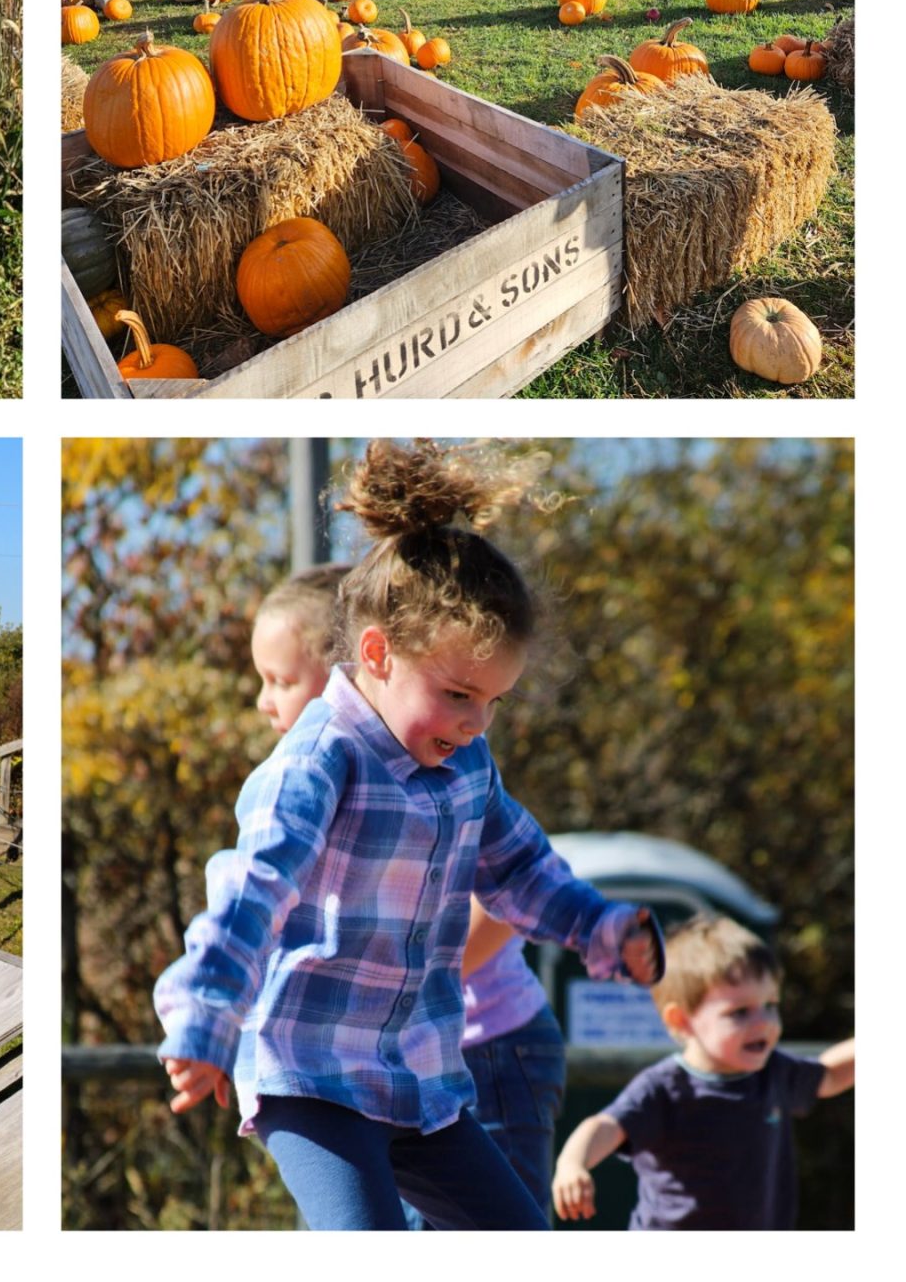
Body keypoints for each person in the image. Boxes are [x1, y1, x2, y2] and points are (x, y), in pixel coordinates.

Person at [156, 441, 664, 1230]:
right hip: (314, 1075)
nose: (475, 723)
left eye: (493, 702)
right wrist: (204, 1018)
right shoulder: (319, 762)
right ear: (375, 654)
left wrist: (598, 925)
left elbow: (519, 867)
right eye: (460, 694)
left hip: (421, 1077)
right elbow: (252, 890)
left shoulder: (467, 765)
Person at [246, 561, 570, 1223]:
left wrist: (412, 980)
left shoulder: (439, 765)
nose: (264, 701)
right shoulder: (305, 779)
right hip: (355, 1065)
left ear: (360, 667)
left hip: (483, 1042)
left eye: (282, 681)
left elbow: (510, 887)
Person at [552, 914, 853, 1227]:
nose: (764, 1021)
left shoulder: (773, 1072)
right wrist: (573, 1163)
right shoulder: (665, 1088)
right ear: (681, 1021)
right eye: (739, 1012)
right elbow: (605, 1125)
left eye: (771, 1005)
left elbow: (829, 1074)